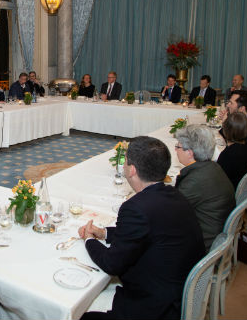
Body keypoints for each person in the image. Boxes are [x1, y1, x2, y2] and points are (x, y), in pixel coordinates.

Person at [79, 136, 204, 320]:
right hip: (179, 290)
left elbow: (110, 264)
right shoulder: (174, 194)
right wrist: (104, 233)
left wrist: (88, 239)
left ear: (132, 170)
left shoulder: (136, 208)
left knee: (79, 312)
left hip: (154, 308)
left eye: (125, 162)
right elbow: (146, 233)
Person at [174, 125, 235, 252]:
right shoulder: (213, 167)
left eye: (178, 146)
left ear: (190, 153)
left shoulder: (195, 181)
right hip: (215, 231)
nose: (175, 150)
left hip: (203, 243)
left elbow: (170, 212)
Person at [217, 113, 247, 190]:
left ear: (225, 130)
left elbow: (218, 179)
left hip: (229, 191)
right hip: (243, 188)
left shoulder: (227, 155)